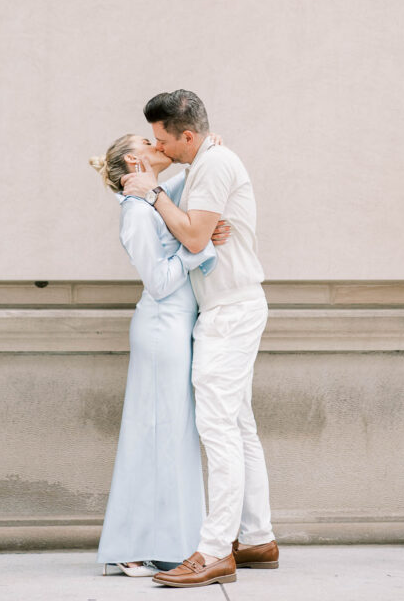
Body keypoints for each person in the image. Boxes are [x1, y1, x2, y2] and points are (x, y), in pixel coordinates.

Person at [122, 90, 277, 589]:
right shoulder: (206, 161)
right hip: (231, 307)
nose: (158, 146)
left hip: (229, 312)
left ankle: (214, 551)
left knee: (218, 429)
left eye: (163, 138)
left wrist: (154, 194)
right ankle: (256, 537)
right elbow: (196, 228)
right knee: (239, 424)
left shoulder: (213, 165)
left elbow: (193, 238)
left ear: (187, 135)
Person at [89, 133, 227, 577]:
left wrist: (209, 148)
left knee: (173, 436)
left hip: (176, 329)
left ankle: (167, 542)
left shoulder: (154, 199)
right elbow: (159, 281)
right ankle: (136, 546)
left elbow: (193, 184)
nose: (160, 145)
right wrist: (200, 248)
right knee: (156, 436)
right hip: (160, 331)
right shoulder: (135, 213)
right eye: (150, 141)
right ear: (135, 158)